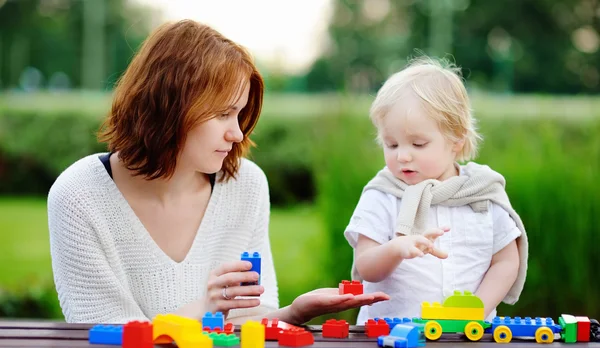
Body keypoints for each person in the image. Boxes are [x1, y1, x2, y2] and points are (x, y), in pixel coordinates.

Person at [47, 20, 389, 325]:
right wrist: (206, 307)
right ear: (169, 105)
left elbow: (246, 321)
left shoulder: (245, 185)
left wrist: (294, 313)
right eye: (223, 114)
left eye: (239, 115)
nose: (237, 134)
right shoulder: (80, 196)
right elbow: (106, 339)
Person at [344, 56, 528, 326]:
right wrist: (396, 248)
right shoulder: (382, 195)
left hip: (468, 339)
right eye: (392, 144)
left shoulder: (481, 192)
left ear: (456, 140)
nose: (403, 156)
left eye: (418, 144)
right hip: (390, 336)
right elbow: (366, 267)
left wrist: (475, 312)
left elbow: (506, 261)